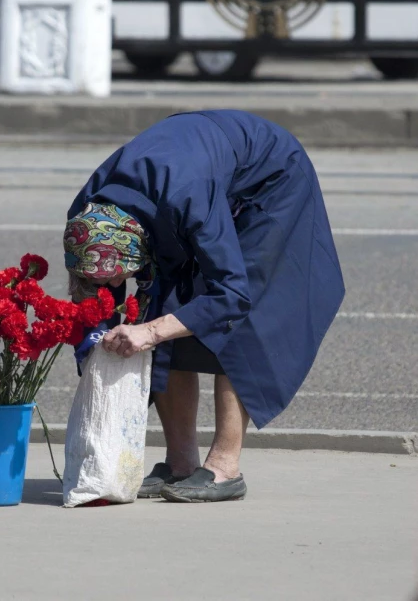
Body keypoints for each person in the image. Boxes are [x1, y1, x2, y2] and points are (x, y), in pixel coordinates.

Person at [63, 110, 345, 503]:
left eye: (116, 275)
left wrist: (150, 330)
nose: (112, 285)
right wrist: (96, 350)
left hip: (271, 183)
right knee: (160, 308)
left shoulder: (187, 197)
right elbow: (93, 301)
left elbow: (231, 294)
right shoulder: (88, 211)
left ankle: (225, 468)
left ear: (136, 245)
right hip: (193, 172)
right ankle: (180, 464)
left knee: (239, 323)